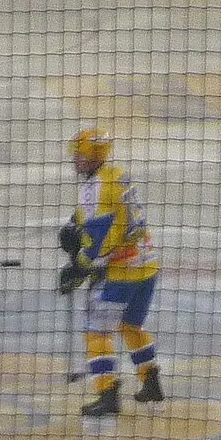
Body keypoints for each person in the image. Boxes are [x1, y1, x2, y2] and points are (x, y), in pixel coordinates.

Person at [57, 127, 162, 419]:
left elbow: (98, 244)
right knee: (130, 325)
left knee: (97, 332)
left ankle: (108, 394)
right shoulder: (117, 174)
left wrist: (76, 268)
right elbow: (109, 215)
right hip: (148, 263)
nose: (75, 160)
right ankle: (151, 381)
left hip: (121, 272)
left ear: (91, 157)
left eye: (79, 155)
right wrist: (74, 222)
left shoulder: (94, 189)